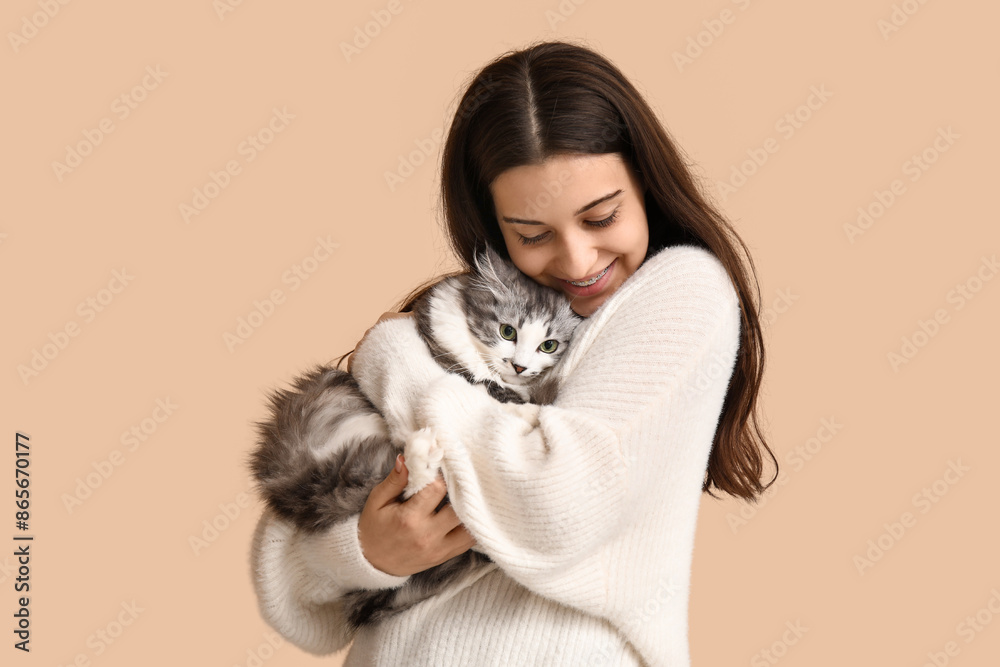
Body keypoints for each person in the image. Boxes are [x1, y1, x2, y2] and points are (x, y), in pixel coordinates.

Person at [249, 39, 775, 666]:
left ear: (645, 187)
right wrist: (363, 550)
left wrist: (394, 356)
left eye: (602, 218)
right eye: (533, 234)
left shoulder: (683, 289)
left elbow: (551, 502)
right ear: (494, 231)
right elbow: (286, 573)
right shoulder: (480, 311)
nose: (578, 261)